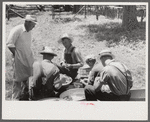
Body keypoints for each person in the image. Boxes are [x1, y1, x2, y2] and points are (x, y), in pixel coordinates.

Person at [6, 14, 38, 101]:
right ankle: (15, 99)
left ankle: (25, 96)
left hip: (28, 58)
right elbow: (9, 44)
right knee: (17, 80)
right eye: (33, 25)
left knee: (28, 78)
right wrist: (17, 56)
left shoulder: (29, 31)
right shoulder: (17, 30)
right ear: (27, 22)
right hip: (18, 59)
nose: (33, 27)